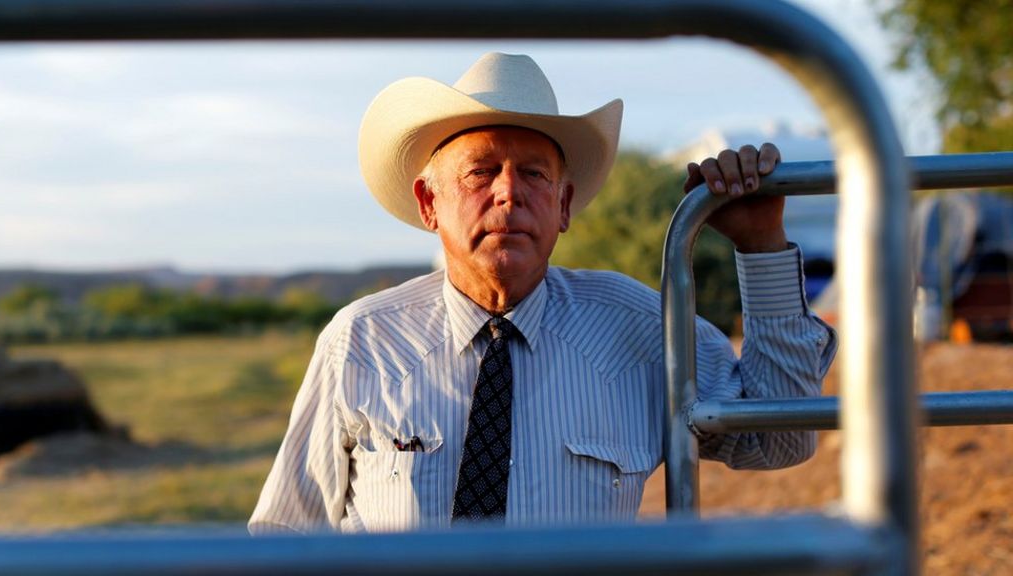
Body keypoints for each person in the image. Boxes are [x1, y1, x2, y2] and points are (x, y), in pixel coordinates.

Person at [249, 52, 837, 534]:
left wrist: (761, 244)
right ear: (430, 204)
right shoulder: (364, 340)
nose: (509, 193)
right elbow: (284, 536)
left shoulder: (637, 328)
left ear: (562, 206)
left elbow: (780, 440)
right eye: (480, 172)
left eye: (534, 173)